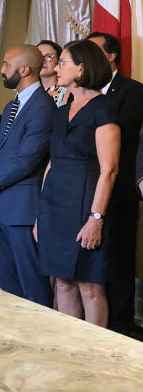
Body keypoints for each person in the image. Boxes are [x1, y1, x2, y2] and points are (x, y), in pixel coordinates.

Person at [35, 39, 120, 327]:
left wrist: (96, 219)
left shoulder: (103, 109)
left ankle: (96, 357)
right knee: (62, 282)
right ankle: (69, 351)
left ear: (81, 69)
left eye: (62, 62)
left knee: (90, 286)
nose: (56, 67)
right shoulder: (60, 111)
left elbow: (109, 169)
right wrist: (40, 217)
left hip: (84, 204)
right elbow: (51, 163)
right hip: (54, 206)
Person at [0, 45, 55, 306]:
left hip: (23, 208)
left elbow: (27, 159)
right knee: (7, 285)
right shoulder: (13, 104)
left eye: (6, 64)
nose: (2, 69)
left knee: (31, 285)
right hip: (0, 204)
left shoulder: (43, 107)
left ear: (24, 70)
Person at [87, 32, 143, 333]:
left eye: (94, 51)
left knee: (119, 262)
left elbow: (121, 135)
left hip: (119, 191)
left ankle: (120, 329)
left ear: (111, 57)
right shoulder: (81, 93)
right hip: (86, 190)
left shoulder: (133, 91)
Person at [37, 40, 70, 107]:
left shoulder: (68, 92)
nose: (43, 61)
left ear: (59, 61)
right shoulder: (29, 92)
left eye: (48, 57)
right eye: (38, 57)